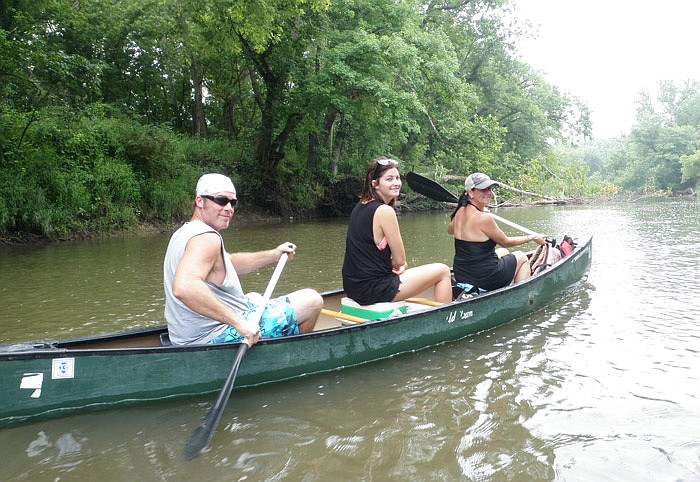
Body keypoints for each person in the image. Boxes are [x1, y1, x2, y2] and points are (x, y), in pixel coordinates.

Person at [163, 173, 323, 346]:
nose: (229, 208)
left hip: (185, 337)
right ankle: (290, 358)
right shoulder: (207, 238)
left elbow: (229, 263)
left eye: (233, 202)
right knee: (312, 300)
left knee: (254, 297)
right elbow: (184, 287)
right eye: (221, 200)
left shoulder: (185, 232)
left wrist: (274, 254)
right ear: (200, 201)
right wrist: (240, 324)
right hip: (213, 338)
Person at [342, 157, 452, 306]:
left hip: (353, 287)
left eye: (397, 178)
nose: (396, 183)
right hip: (374, 289)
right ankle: (445, 319)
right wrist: (400, 264)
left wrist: (394, 265)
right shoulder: (385, 211)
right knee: (443, 271)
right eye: (389, 179)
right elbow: (400, 261)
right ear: (375, 184)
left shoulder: (360, 206)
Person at [447, 172, 545, 291]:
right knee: (521, 257)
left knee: (502, 252)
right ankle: (521, 295)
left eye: (489, 189)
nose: (488, 193)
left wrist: (478, 211)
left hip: (462, 274)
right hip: (484, 278)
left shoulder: (459, 212)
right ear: (470, 192)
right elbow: (506, 242)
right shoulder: (484, 218)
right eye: (483, 189)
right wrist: (532, 237)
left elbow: (450, 230)